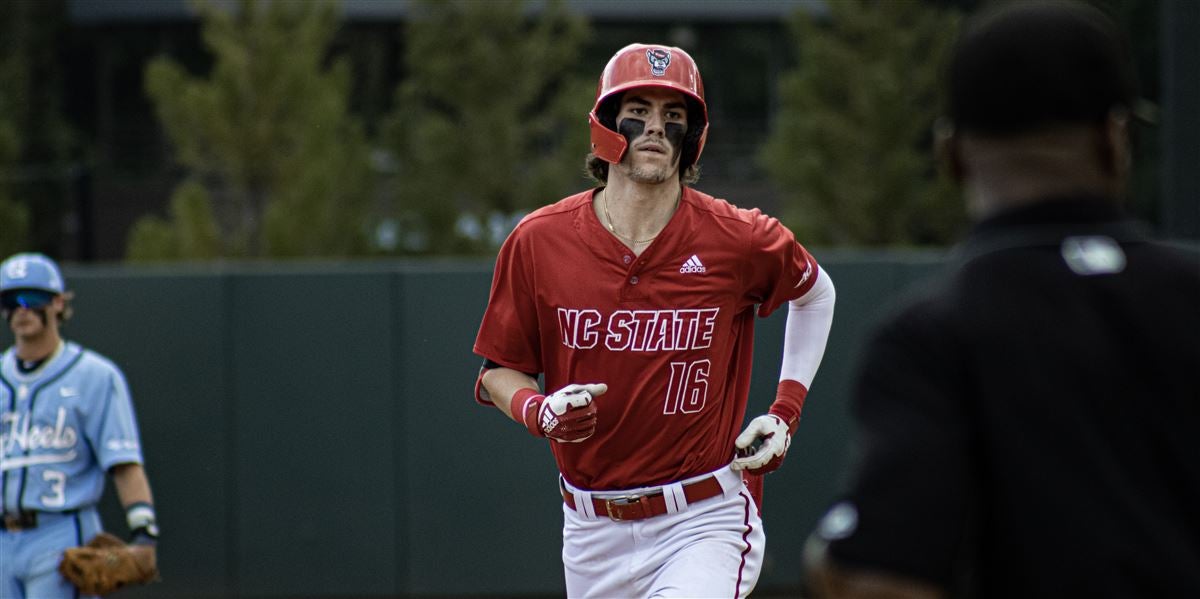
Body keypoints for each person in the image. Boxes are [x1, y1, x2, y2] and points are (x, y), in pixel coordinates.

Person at [803, 3, 1200, 598]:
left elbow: (877, 580)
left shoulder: (935, 333)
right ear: (1115, 140)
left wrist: (826, 565)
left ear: (951, 157)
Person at [473, 43, 836, 597]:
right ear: (605, 124)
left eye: (674, 116)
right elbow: (500, 370)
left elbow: (817, 293)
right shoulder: (539, 240)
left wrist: (785, 412)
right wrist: (540, 411)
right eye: (637, 110)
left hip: (702, 517)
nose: (655, 127)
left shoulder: (737, 238)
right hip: (590, 529)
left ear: (693, 138)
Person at [0, 253, 160, 598]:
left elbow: (124, 463)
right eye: (10, 301)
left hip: (59, 535)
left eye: (32, 298)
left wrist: (144, 530)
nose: (21, 309)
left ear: (58, 303)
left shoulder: (95, 376)